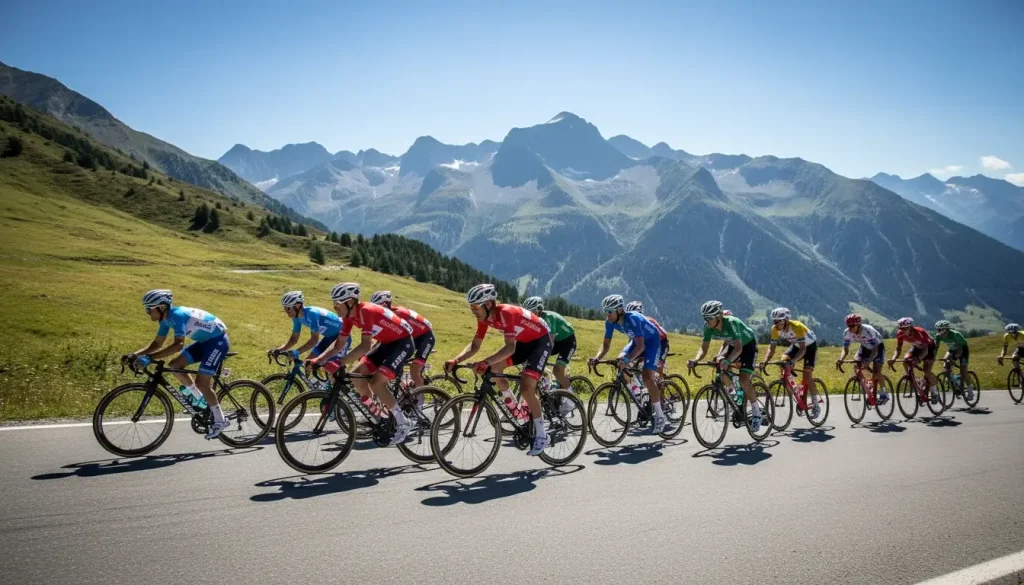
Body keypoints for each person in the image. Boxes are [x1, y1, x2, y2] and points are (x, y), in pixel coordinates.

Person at [445, 284, 553, 456]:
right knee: (495, 369)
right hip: (524, 342)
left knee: (526, 388)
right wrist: (456, 359)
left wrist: (485, 362)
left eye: (475, 307)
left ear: (488, 304)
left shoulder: (506, 313)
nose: (473, 311)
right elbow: (475, 346)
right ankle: (517, 411)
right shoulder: (483, 318)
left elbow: (510, 348)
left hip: (541, 341)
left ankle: (542, 435)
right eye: (471, 307)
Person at [309, 282, 416, 445]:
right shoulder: (348, 317)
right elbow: (339, 344)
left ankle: (403, 422)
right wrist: (320, 359)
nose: (334, 306)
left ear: (350, 302)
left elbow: (365, 346)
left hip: (403, 342)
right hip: (386, 343)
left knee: (376, 382)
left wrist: (340, 362)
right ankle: (380, 416)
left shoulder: (366, 311)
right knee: (356, 376)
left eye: (337, 303)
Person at [131, 289, 231, 439]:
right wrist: (134, 355)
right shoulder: (165, 320)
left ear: (161, 307)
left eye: (149, 309)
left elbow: (178, 345)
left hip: (218, 342)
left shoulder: (177, 315)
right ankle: (199, 401)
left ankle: (220, 420)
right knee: (174, 366)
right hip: (204, 342)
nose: (147, 312)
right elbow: (157, 344)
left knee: (202, 383)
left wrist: (150, 358)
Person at [590, 294, 668, 434]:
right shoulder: (609, 322)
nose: (607, 315)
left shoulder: (633, 318)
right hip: (636, 341)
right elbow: (606, 345)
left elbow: (641, 346)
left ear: (619, 310)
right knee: (620, 359)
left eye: (609, 311)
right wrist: (597, 358)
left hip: (652, 342)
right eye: (605, 311)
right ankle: (639, 392)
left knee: (647, 377)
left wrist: (628, 360)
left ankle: (660, 416)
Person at [689, 300, 763, 432]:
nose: (706, 321)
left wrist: (728, 361)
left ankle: (757, 413)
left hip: (747, 346)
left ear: (719, 317)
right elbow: (703, 348)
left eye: (709, 318)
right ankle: (735, 394)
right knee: (720, 368)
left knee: (744, 380)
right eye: (704, 318)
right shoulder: (708, 327)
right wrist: (695, 359)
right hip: (732, 345)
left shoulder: (731, 322)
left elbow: (739, 348)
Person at [760, 307, 821, 418]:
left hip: (809, 347)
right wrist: (765, 361)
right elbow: (772, 348)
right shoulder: (775, 329)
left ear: (787, 319)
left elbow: (803, 349)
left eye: (779, 321)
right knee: (783, 362)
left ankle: (815, 404)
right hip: (796, 346)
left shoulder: (796, 326)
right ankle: (794, 387)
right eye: (774, 321)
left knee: (807, 376)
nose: (776, 324)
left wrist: (793, 361)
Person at [521, 296, 577, 415]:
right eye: (527, 313)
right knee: (534, 366)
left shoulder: (548, 318)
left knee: (557, 370)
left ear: (539, 310)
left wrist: (539, 361)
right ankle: (546, 388)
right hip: (555, 341)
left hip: (567, 342)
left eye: (532, 312)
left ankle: (572, 401)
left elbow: (550, 342)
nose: (530, 315)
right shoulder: (532, 321)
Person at [269, 290, 350, 371]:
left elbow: (314, 341)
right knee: (308, 364)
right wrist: (280, 350)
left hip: (342, 337)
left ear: (298, 306)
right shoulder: (296, 317)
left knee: (331, 369)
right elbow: (294, 338)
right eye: (284, 308)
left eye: (288, 308)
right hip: (329, 338)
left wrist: (297, 352)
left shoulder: (312, 314)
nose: (286, 311)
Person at [370, 290, 434, 388]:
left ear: (386, 305)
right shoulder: (387, 316)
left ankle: (420, 396)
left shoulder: (400, 313)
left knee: (414, 370)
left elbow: (425, 326)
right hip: (411, 338)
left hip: (425, 338)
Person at [835, 313, 888, 404]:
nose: (850, 328)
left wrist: (868, 361)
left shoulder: (868, 330)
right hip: (865, 347)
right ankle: (867, 387)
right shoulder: (847, 332)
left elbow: (875, 350)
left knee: (876, 372)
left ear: (858, 325)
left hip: (877, 348)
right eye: (848, 326)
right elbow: (845, 349)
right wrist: (841, 359)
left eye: (852, 326)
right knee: (857, 364)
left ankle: (884, 393)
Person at [888, 317, 939, 404]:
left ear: (911, 327)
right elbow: (898, 348)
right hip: (916, 347)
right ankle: (914, 380)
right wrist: (893, 358)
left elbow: (925, 350)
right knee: (906, 361)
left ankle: (934, 391)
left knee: (927, 370)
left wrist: (918, 359)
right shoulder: (900, 333)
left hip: (929, 348)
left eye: (905, 328)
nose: (902, 330)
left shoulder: (920, 332)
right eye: (900, 328)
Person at [625, 301, 670, 378]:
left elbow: (662, 336)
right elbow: (632, 340)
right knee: (632, 363)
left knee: (657, 369)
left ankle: (661, 383)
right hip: (647, 344)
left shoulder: (649, 322)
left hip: (662, 343)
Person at [934, 320, 974, 402]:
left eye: (941, 329)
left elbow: (962, 348)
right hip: (952, 350)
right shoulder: (938, 336)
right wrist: (933, 357)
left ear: (947, 329)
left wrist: (955, 358)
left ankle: (970, 389)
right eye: (938, 329)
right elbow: (936, 347)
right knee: (945, 365)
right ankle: (955, 382)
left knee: (963, 371)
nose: (939, 331)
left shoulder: (955, 334)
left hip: (963, 349)